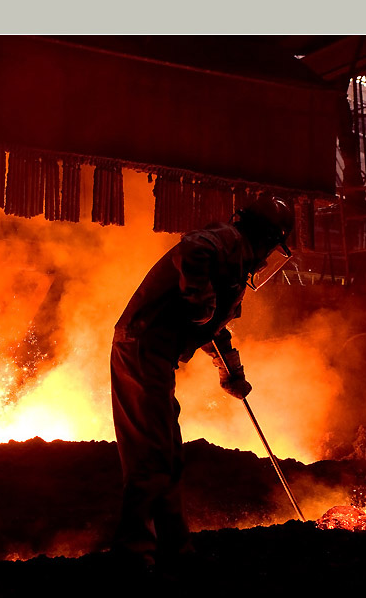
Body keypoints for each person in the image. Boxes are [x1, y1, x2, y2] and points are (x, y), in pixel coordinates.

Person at [109, 194, 295, 570]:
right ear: (263, 237)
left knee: (167, 453)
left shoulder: (233, 262)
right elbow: (194, 249)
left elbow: (213, 329)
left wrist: (231, 369)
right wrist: (201, 297)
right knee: (152, 453)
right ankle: (134, 556)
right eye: (271, 247)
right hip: (143, 345)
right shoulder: (228, 241)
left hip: (153, 351)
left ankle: (173, 549)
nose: (266, 259)